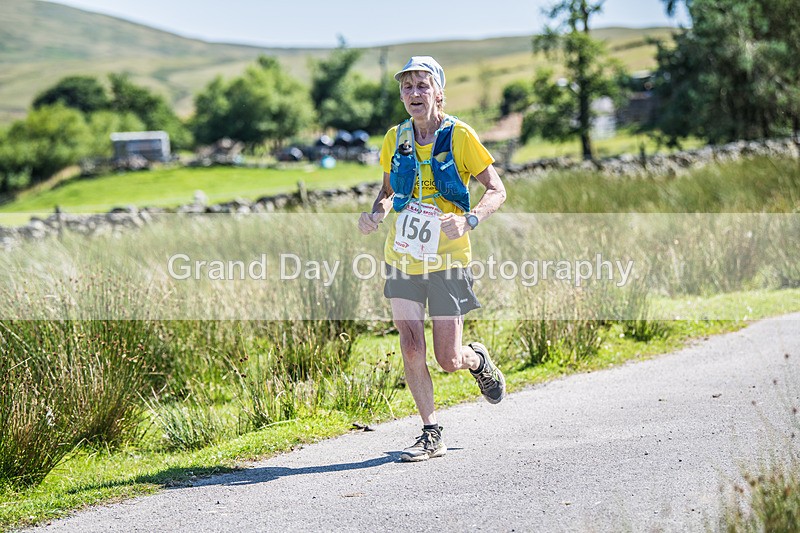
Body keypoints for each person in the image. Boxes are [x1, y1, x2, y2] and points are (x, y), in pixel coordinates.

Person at [358, 56, 507, 462]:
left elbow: (497, 189)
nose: (414, 94)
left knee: (447, 358)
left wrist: (470, 218)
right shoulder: (395, 137)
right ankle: (430, 431)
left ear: (438, 92)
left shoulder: (460, 136)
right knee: (409, 344)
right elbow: (388, 192)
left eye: (422, 86)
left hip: (448, 260)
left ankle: (475, 359)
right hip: (403, 256)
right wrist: (376, 213)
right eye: (407, 88)